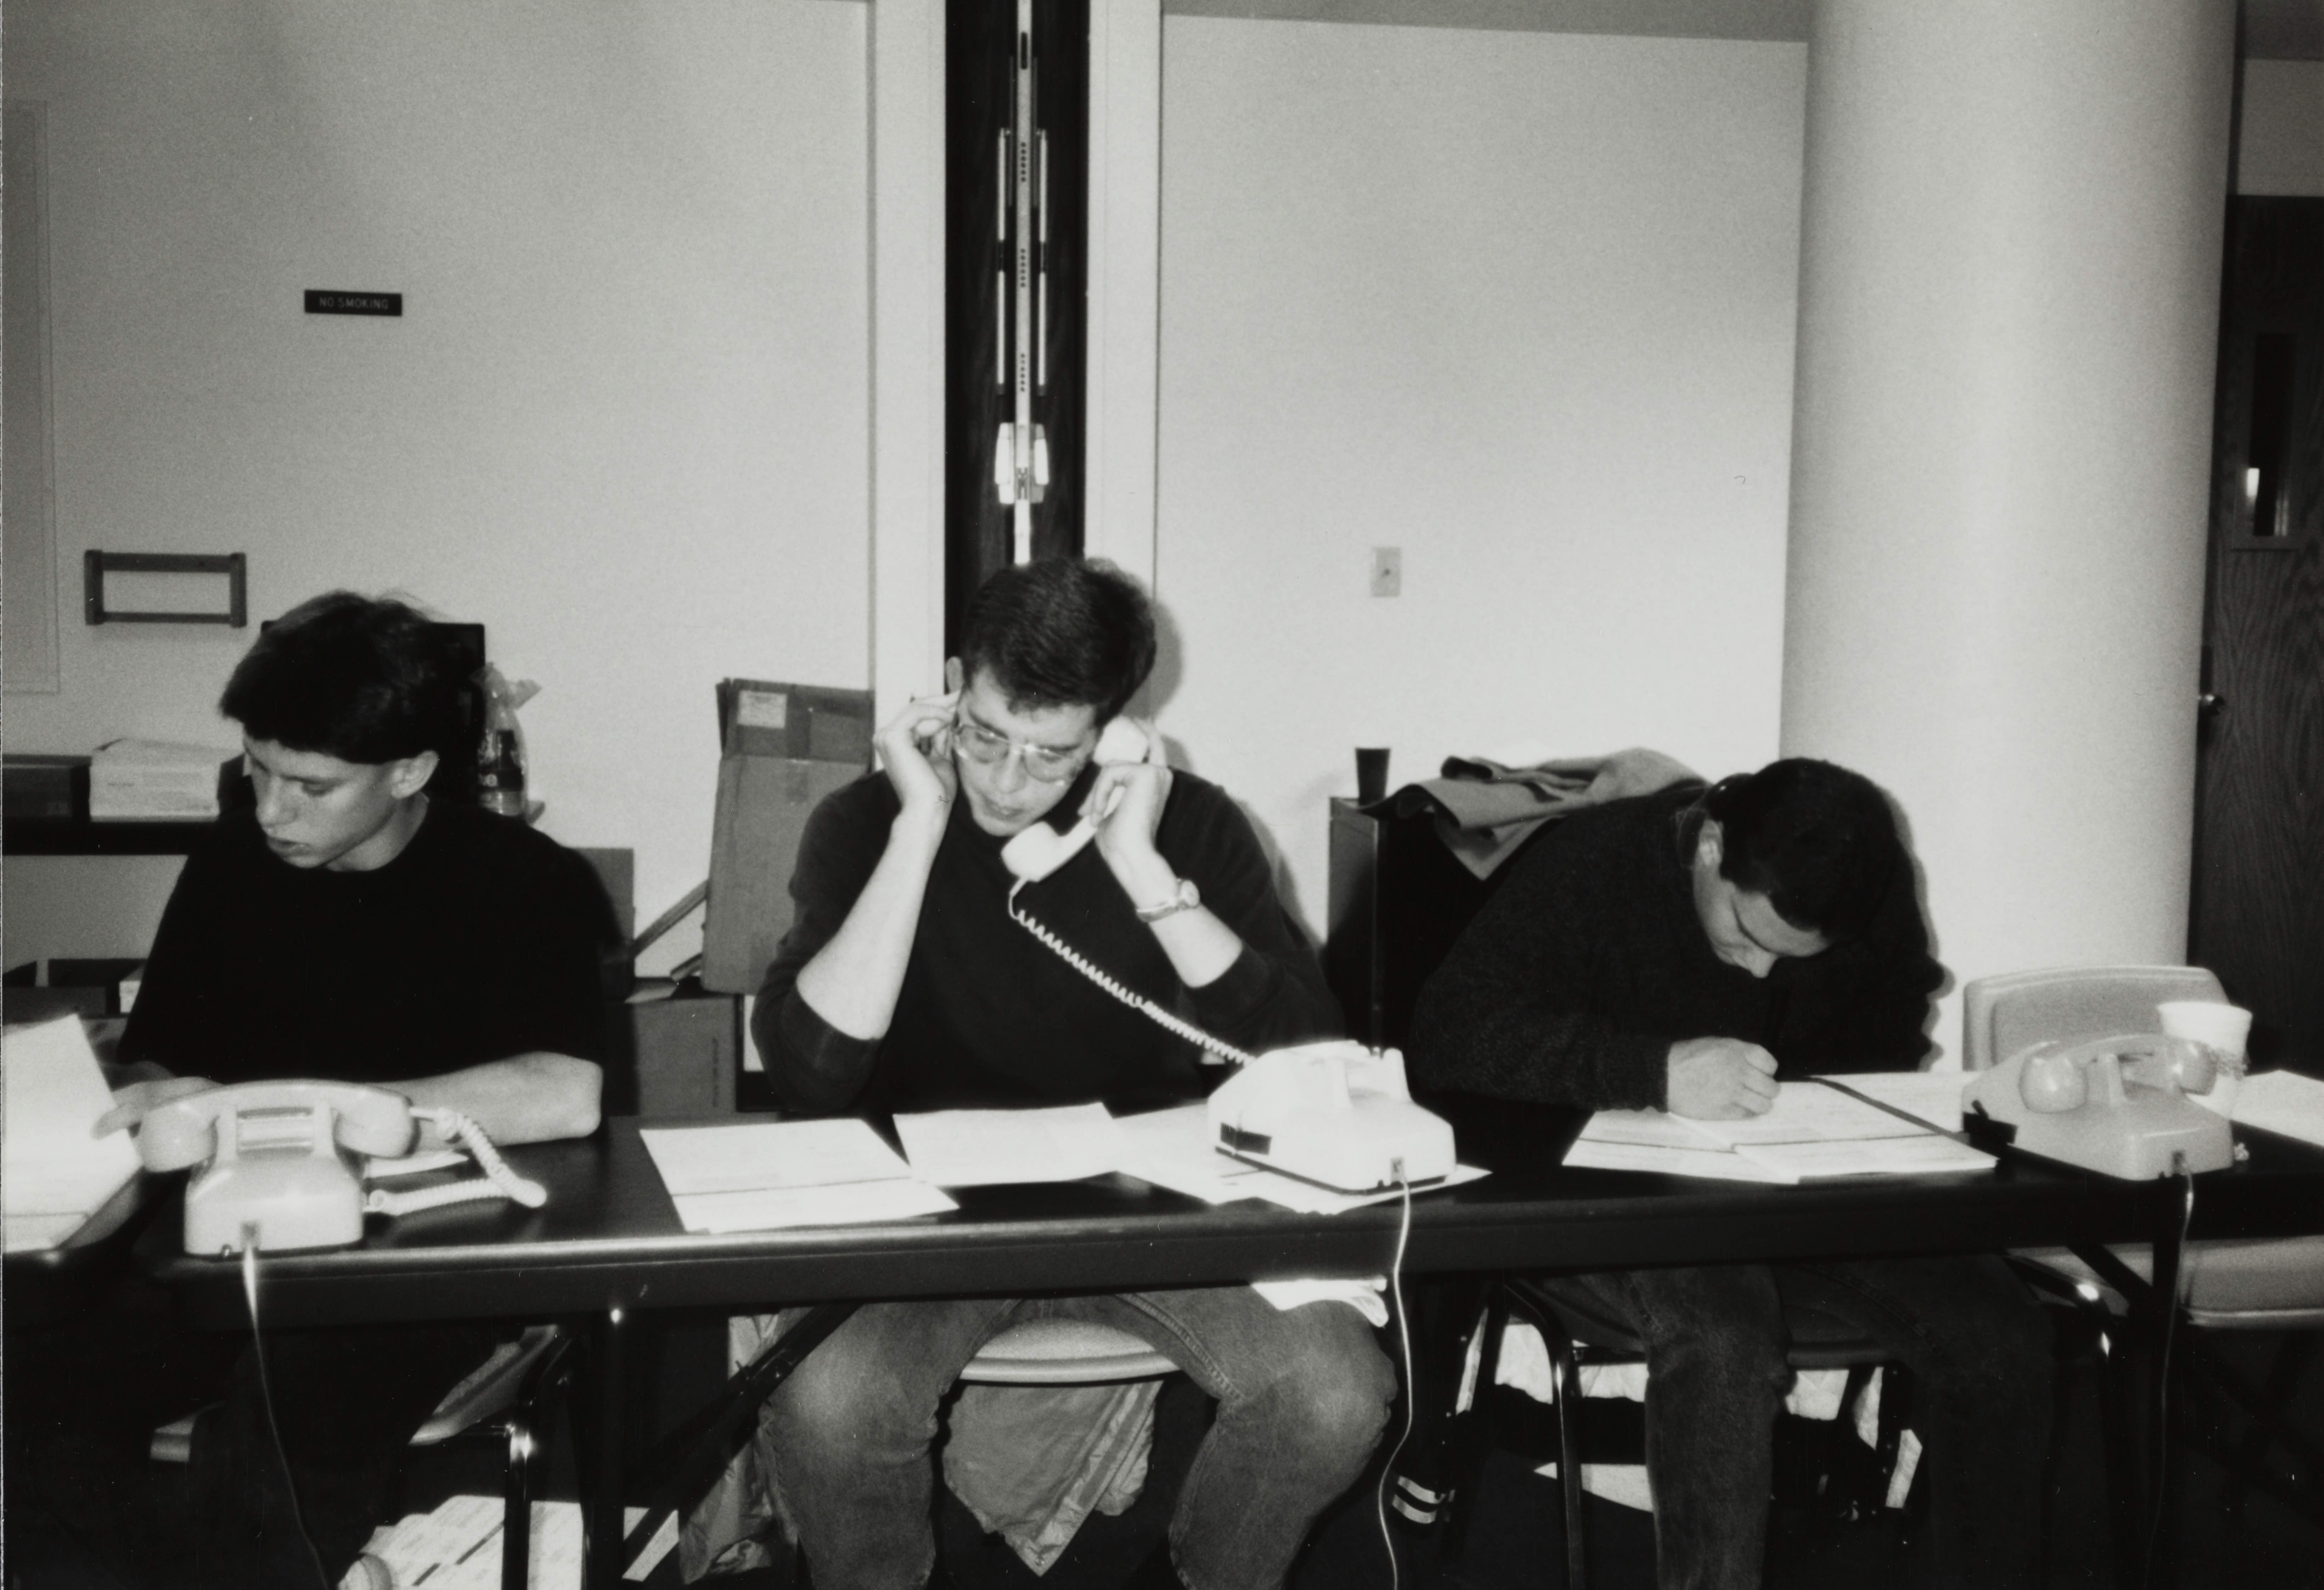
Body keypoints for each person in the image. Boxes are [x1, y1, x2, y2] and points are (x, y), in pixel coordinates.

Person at [747, 558, 1395, 1590]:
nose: (1007, 785)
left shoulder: (1194, 828)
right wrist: (918, 829)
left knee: (1335, 1394)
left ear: (1115, 735)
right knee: (830, 1402)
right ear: (953, 687)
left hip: (1151, 1210)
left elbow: (1307, 1057)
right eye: (986, 736)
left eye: (1052, 757)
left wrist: (1140, 865)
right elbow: (813, 1075)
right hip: (929, 1220)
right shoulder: (865, 824)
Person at [9, 591, 612, 1589]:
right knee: (28, 1388)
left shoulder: (522, 880)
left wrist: (298, 1106)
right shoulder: (231, 864)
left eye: (311, 785)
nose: (272, 810)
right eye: (257, 771)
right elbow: (162, 1055)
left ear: (410, 771)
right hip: (217, 1239)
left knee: (278, 1430)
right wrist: (134, 1100)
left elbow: (564, 1093)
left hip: (410, 1256)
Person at [1409, 759, 2053, 1590]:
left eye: (1790, 961)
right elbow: (1449, 1032)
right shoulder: (1597, 863)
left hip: (1796, 1189)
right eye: (1744, 939)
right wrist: (1652, 1071)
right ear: (1711, 847)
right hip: (1625, 1195)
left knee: (2000, 1330)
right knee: (1725, 1338)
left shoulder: (1864, 879)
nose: (1754, 976)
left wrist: (1819, 1112)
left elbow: (1892, 1013)